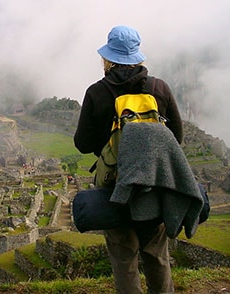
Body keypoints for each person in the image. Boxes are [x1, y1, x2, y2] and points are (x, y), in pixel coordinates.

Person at [74, 25, 183, 294]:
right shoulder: (159, 88)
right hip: (154, 185)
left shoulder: (97, 93)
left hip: (115, 187)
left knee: (124, 259)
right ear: (138, 57)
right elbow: (176, 137)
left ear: (108, 58)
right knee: (157, 255)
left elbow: (82, 143)